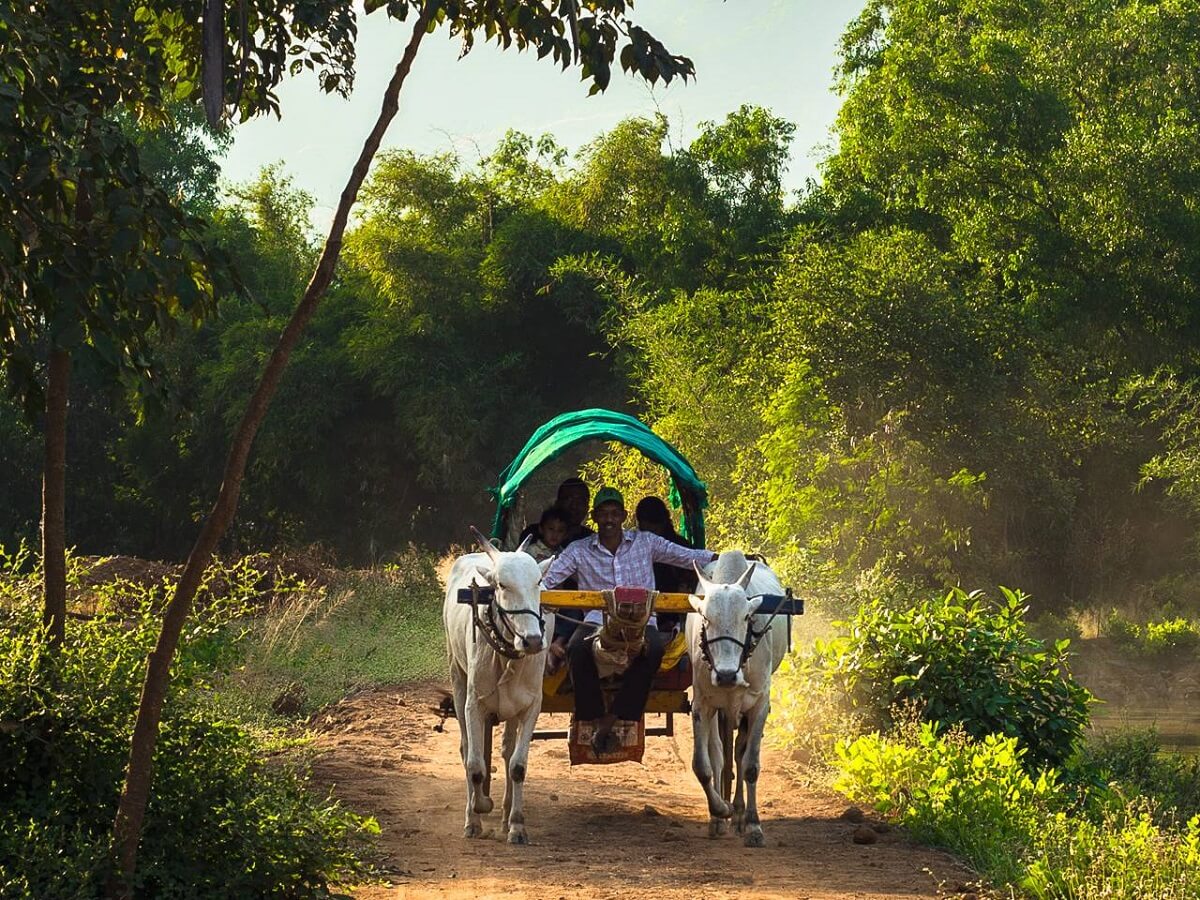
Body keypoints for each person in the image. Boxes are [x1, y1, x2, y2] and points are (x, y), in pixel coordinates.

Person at [542, 486, 717, 754]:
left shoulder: (645, 542)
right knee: (577, 650)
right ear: (595, 517)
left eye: (614, 513)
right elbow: (548, 580)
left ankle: (612, 719)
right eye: (603, 514)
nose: (609, 519)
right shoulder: (578, 550)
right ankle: (594, 716)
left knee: (654, 651)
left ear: (624, 516)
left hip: (642, 622)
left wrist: (720, 558)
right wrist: (519, 584)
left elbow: (684, 556)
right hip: (595, 621)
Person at [634, 495, 699, 632]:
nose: (651, 538)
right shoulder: (632, 549)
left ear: (664, 522)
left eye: (655, 529)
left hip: (677, 616)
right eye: (647, 531)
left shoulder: (680, 547)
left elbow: (692, 582)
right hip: (640, 615)